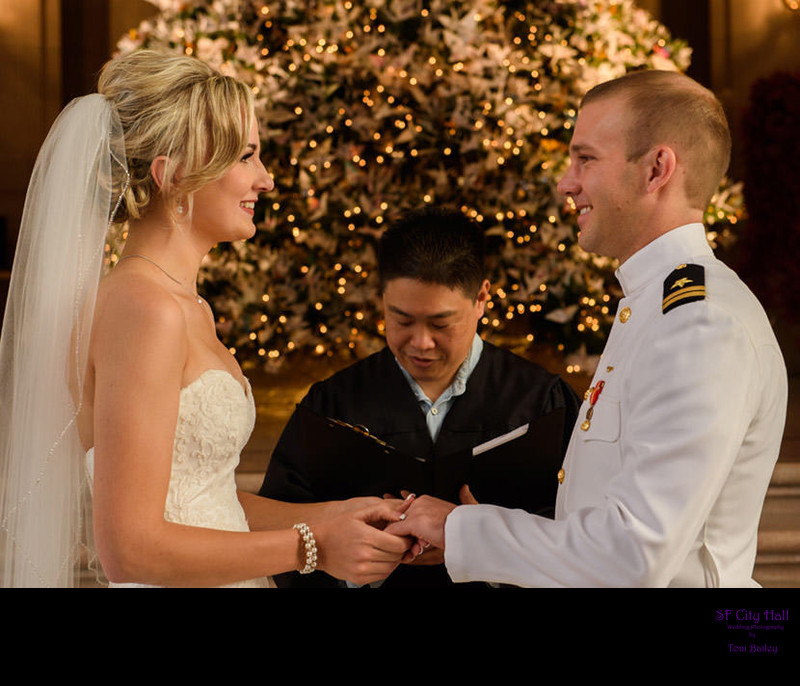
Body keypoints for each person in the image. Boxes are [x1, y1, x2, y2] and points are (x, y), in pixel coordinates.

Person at [0, 50, 414, 588]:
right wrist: (310, 549)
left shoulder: (183, 305)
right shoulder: (145, 311)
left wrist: (332, 516)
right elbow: (131, 548)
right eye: (245, 157)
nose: (265, 180)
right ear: (173, 176)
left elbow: (201, 497)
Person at [389, 70, 789, 587]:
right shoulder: (656, 306)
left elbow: (634, 556)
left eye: (586, 159)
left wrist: (461, 529)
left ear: (656, 169)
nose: (566, 182)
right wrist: (473, 538)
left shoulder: (698, 324)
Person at [260, 206, 581, 587]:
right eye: (402, 320)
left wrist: (486, 540)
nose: (421, 343)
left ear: (481, 298)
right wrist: (351, 559)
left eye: (441, 323)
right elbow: (281, 536)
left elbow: (582, 538)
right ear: (382, 300)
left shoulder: (543, 402)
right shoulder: (333, 405)